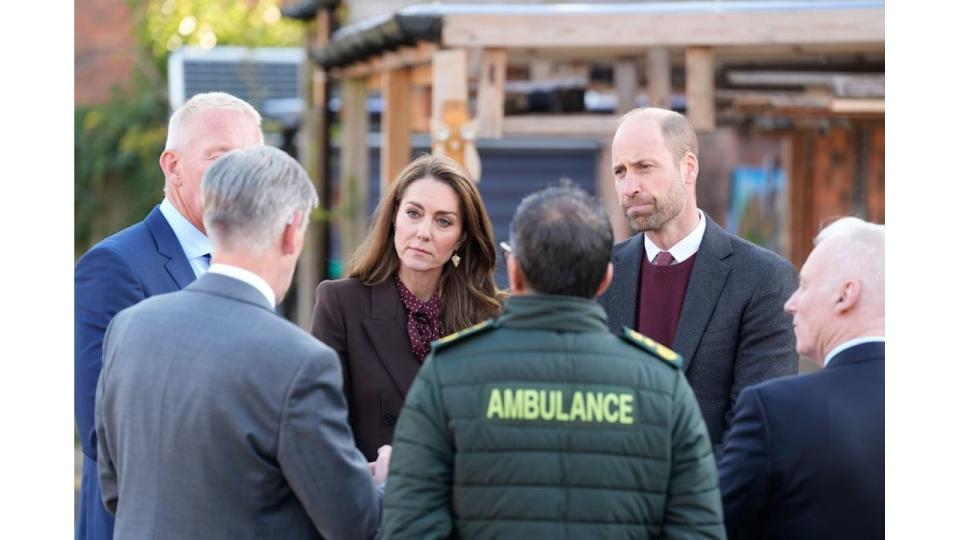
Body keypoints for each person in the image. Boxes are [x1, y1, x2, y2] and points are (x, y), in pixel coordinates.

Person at [381, 182, 724, 539]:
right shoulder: (661, 384)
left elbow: (409, 527)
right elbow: (698, 530)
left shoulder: (448, 373)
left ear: (514, 272)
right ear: (606, 279)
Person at [95, 146, 384, 539]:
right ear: (291, 230)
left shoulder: (128, 328)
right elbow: (354, 523)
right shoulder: (300, 362)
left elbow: (116, 491)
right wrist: (384, 480)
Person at [74, 91, 263, 540]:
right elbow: (105, 433)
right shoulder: (115, 267)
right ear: (173, 166)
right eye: (219, 157)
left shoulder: (250, 266)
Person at [598, 107, 798, 454]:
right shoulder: (600, 274)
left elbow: (759, 432)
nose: (629, 187)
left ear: (688, 167)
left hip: (712, 501)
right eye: (620, 171)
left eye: (644, 167)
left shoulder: (763, 278)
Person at [310, 154, 502, 461]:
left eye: (443, 221)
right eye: (414, 213)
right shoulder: (341, 303)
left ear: (461, 238)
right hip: (377, 499)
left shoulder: (490, 318)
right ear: (394, 217)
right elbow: (322, 427)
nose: (423, 232)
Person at [719, 217, 884, 539]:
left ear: (845, 295)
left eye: (805, 285)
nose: (790, 304)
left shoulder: (775, 410)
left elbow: (712, 529)